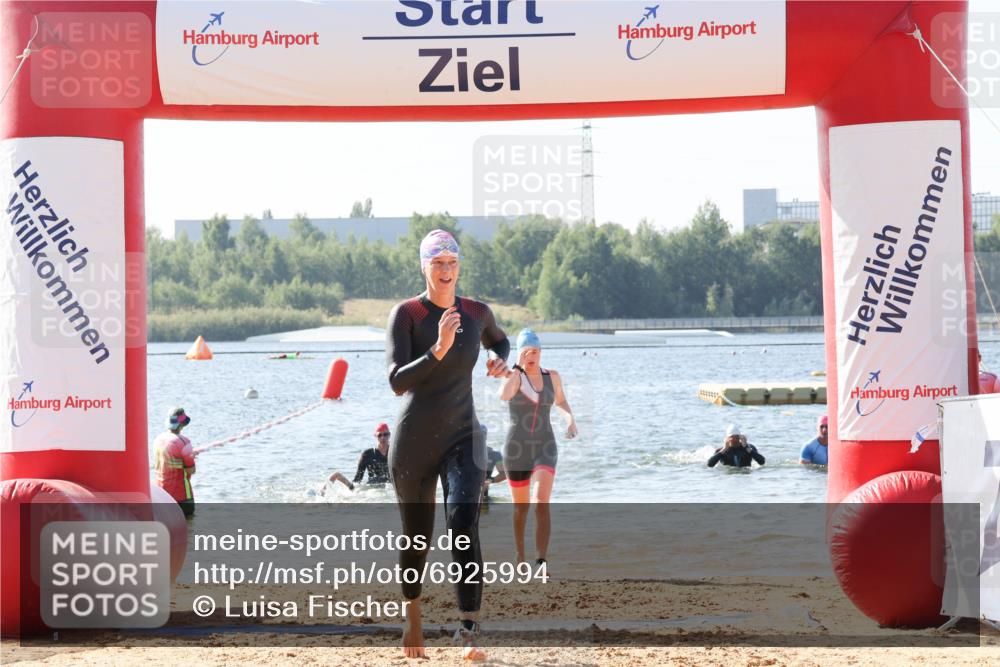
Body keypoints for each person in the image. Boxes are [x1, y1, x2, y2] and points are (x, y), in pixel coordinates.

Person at [386, 229, 510, 660]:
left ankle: (468, 630)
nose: (445, 270)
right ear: (424, 267)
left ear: (459, 267)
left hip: (464, 434)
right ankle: (413, 614)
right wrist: (437, 349)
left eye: (451, 263)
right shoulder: (407, 315)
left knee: (462, 522)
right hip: (414, 441)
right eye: (436, 263)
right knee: (416, 538)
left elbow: (500, 339)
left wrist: (499, 360)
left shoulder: (476, 312)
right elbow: (397, 381)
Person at [499, 328, 578, 567]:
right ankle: (520, 555)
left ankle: (541, 561)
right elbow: (504, 395)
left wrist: (570, 419)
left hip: (545, 445)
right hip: (516, 450)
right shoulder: (513, 376)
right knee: (521, 508)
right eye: (526, 352)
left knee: (540, 502)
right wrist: (518, 368)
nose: (531, 356)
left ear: (541, 352)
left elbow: (561, 400)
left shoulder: (551, 376)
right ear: (519, 354)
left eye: (535, 352)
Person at [153, 407, 196, 517]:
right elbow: (191, 470)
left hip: (161, 496)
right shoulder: (184, 442)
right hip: (182, 498)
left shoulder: (158, 439)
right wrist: (191, 457)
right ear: (182, 424)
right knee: (187, 529)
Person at [326, 422, 391, 492]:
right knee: (338, 477)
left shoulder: (394, 453)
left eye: (385, 434)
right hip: (373, 490)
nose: (383, 437)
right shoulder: (368, 454)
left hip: (390, 489)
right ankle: (335, 479)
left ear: (389, 435)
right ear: (375, 436)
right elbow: (358, 479)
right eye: (380, 435)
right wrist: (351, 486)